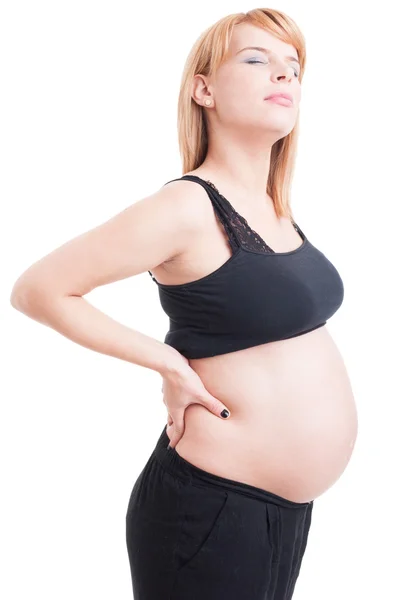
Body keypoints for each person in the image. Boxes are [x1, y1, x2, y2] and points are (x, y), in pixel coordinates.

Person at [10, 7, 358, 600]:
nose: (284, 76)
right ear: (204, 89)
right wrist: (168, 363)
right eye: (257, 60)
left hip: (284, 514)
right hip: (211, 508)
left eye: (293, 67)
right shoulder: (187, 207)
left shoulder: (275, 208)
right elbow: (38, 289)